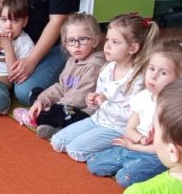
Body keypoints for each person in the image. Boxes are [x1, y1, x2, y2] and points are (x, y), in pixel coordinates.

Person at [86, 38, 182, 187]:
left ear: (180, 79)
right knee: (94, 164)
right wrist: (141, 139)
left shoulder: (175, 108)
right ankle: (131, 165)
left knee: (124, 178)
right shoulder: (142, 97)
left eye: (163, 72)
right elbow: (130, 128)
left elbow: (162, 149)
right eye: (151, 68)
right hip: (136, 145)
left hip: (156, 155)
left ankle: (153, 172)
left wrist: (135, 147)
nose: (153, 76)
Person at [49, 13, 147, 162]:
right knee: (57, 141)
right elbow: (99, 95)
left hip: (117, 128)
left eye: (115, 42)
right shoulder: (108, 68)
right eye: (107, 39)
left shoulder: (137, 78)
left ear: (132, 48)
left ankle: (120, 148)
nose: (107, 45)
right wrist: (92, 99)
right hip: (97, 119)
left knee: (75, 150)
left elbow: (131, 116)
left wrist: (104, 103)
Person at [16, 12, 105, 138]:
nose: (76, 45)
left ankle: (39, 120)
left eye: (83, 39)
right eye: (71, 40)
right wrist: (43, 100)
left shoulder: (94, 66)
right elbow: (61, 87)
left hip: (84, 113)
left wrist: (53, 106)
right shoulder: (72, 61)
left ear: (95, 41)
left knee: (57, 111)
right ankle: (47, 119)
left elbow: (79, 99)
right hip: (66, 105)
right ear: (66, 44)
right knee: (37, 93)